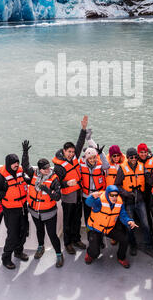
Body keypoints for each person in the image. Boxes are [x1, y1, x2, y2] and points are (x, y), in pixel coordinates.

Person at [21, 141, 63, 268]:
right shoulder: (33, 174)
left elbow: (57, 196)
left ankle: (59, 255)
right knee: (39, 230)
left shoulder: (54, 179)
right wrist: (25, 153)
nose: (48, 170)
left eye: (49, 167)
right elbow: (25, 165)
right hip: (34, 211)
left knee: (52, 235)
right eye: (45, 168)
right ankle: (40, 247)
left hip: (49, 213)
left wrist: (46, 189)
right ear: (39, 169)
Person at [52, 115, 88, 255]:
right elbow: (56, 184)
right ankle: (67, 243)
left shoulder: (74, 158)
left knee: (77, 219)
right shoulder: (59, 167)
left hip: (78, 194)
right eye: (69, 152)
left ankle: (76, 239)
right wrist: (67, 182)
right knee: (67, 222)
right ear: (63, 151)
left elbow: (79, 143)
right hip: (68, 198)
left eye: (73, 152)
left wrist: (83, 129)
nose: (72, 154)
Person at [0, 153, 29, 269]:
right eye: (14, 163)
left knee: (23, 231)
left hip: (22, 207)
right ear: (8, 164)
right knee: (13, 235)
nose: (16, 165)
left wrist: (25, 155)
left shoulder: (20, 173)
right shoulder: (1, 178)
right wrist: (3, 193)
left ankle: (18, 251)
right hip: (11, 210)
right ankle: (6, 258)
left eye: (17, 162)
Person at [114, 147, 153, 257]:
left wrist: (150, 176)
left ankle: (148, 245)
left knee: (145, 224)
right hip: (128, 201)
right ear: (127, 158)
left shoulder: (142, 167)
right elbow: (117, 185)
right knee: (130, 226)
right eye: (131, 157)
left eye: (135, 157)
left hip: (140, 200)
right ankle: (132, 245)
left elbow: (150, 182)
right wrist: (126, 193)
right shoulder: (122, 169)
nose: (133, 158)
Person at [84, 185, 138, 268]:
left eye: (116, 195)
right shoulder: (99, 201)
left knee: (125, 239)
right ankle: (89, 253)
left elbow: (123, 215)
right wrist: (92, 197)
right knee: (95, 253)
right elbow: (88, 203)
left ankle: (121, 257)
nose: (114, 197)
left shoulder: (119, 203)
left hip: (109, 228)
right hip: (95, 229)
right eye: (112, 195)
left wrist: (129, 221)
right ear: (107, 194)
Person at [137, 143, 153, 237]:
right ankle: (150, 236)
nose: (143, 154)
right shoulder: (135, 161)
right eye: (141, 152)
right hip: (142, 193)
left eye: (145, 152)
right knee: (145, 217)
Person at [79, 145, 107, 226]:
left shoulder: (100, 164)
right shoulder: (82, 164)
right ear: (87, 158)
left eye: (94, 158)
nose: (92, 160)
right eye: (90, 158)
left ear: (96, 157)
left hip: (98, 195)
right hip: (86, 195)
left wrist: (101, 154)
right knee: (87, 215)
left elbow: (106, 166)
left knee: (98, 214)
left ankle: (98, 232)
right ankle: (89, 233)